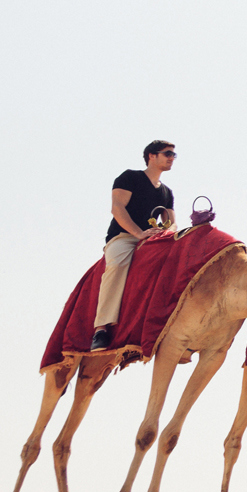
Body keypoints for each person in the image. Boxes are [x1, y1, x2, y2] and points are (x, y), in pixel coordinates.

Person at [89, 140, 176, 352]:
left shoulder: (166, 192)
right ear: (151, 156)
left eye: (174, 155)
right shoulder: (130, 177)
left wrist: (167, 234)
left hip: (153, 238)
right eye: (167, 154)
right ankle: (101, 329)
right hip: (124, 238)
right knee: (117, 265)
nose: (172, 158)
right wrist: (138, 233)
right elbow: (117, 209)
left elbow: (171, 223)